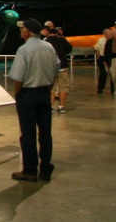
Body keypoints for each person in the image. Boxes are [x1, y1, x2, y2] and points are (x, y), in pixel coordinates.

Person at [9, 18, 59, 182]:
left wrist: (18, 94)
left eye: (22, 29)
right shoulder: (49, 47)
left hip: (27, 95)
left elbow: (18, 77)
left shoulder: (24, 50)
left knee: (28, 134)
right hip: (45, 93)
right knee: (45, 134)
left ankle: (30, 170)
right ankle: (45, 169)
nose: (20, 31)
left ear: (27, 31)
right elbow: (56, 68)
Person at [42, 27, 72, 113]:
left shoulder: (46, 41)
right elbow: (69, 49)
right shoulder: (62, 40)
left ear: (49, 33)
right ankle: (61, 106)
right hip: (63, 66)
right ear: (57, 34)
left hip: (50, 67)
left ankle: (50, 107)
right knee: (63, 87)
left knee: (52, 88)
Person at [103, 28, 116, 95]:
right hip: (112, 59)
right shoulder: (109, 41)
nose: (114, 35)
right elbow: (106, 51)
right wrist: (105, 60)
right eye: (113, 34)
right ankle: (115, 88)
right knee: (113, 75)